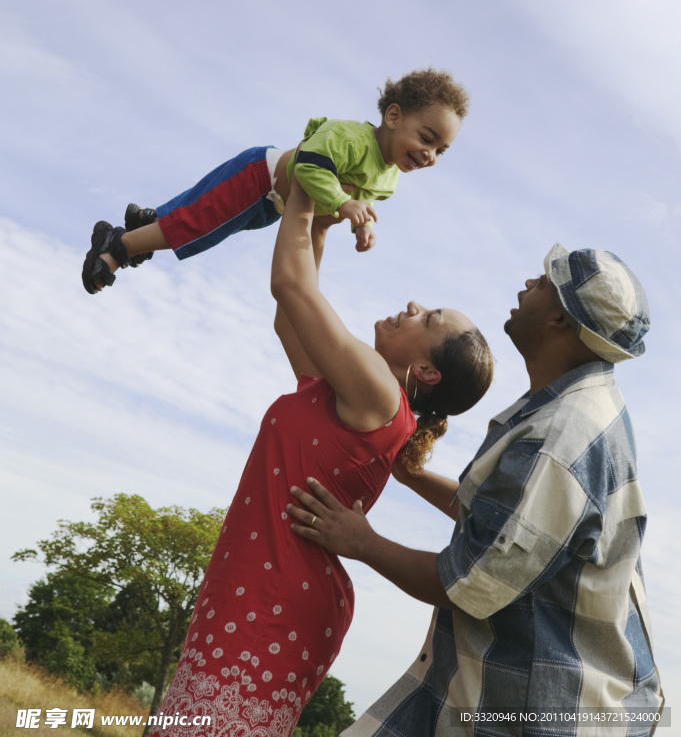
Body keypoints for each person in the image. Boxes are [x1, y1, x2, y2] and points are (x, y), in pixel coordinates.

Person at [147, 178, 494, 737]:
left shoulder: (380, 393)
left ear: (426, 372)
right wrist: (323, 226)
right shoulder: (347, 393)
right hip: (252, 587)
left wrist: (308, 185)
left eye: (428, 319)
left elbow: (291, 284)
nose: (414, 305)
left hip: (275, 598)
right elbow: (290, 315)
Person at [287, 244, 663, 736]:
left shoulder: (559, 438)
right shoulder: (567, 410)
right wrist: (414, 477)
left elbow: (470, 582)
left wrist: (362, 542)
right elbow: (505, 527)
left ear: (559, 320)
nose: (529, 285)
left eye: (544, 283)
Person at [82, 67, 468, 293]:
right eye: (426, 138)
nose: (430, 155)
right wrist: (345, 204)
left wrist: (359, 224)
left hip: (273, 205)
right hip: (259, 177)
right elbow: (310, 167)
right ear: (394, 116)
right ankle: (118, 246)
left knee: (202, 215)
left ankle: (149, 224)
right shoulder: (350, 139)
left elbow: (337, 210)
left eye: (441, 151)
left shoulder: (389, 181)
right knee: (203, 225)